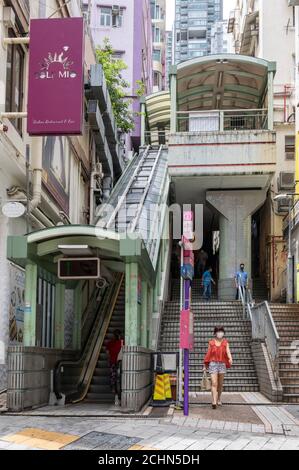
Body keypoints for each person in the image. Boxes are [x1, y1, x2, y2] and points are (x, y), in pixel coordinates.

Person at [203, 326, 233, 409]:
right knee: (214, 383)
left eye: (221, 331)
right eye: (218, 331)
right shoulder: (211, 343)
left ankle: (219, 398)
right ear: (215, 333)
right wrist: (205, 365)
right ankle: (214, 401)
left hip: (222, 364)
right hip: (213, 364)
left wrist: (230, 358)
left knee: (220, 384)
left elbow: (228, 351)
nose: (220, 333)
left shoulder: (225, 343)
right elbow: (208, 354)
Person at [106, 329, 123, 405]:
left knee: (113, 378)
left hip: (112, 363)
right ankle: (118, 396)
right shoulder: (122, 342)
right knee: (120, 379)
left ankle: (116, 394)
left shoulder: (109, 343)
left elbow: (107, 353)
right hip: (120, 363)